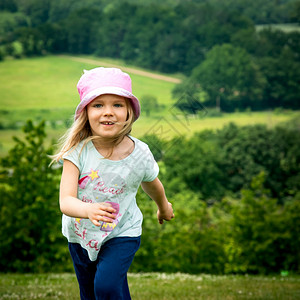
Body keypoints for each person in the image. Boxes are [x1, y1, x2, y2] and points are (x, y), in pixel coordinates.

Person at [51, 67, 174, 300]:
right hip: (80, 235)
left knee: (106, 287)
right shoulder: (77, 153)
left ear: (129, 112)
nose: (108, 112)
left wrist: (163, 206)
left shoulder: (140, 153)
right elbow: (66, 201)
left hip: (122, 232)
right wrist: (88, 210)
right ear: (86, 112)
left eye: (117, 105)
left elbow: (151, 182)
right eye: (98, 105)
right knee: (91, 294)